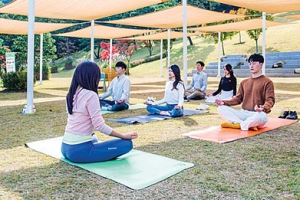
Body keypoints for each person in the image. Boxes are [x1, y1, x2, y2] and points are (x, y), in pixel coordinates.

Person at [61, 61, 138, 163]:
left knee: (93, 137)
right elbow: (100, 126)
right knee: (127, 144)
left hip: (65, 147)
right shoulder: (91, 95)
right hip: (79, 152)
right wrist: (123, 136)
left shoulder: (70, 94)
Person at [215, 53, 275, 131]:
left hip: (257, 114)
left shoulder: (267, 82)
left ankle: (239, 124)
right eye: (250, 64)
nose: (251, 66)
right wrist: (224, 102)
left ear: (261, 64)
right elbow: (238, 99)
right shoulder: (244, 82)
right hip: (243, 113)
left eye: (254, 63)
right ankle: (245, 124)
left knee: (262, 117)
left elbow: (270, 100)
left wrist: (263, 107)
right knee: (221, 109)